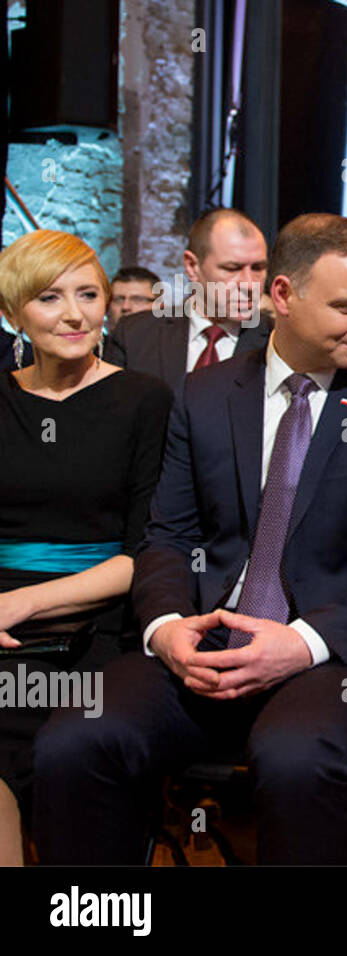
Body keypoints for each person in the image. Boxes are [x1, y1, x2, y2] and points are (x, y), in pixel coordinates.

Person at [33, 214, 347, 865]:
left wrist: (301, 643)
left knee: (294, 757)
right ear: (283, 296)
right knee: (73, 741)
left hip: (327, 655)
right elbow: (168, 534)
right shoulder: (204, 393)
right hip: (202, 641)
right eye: (346, 307)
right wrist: (167, 627)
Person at [0, 230, 172, 866]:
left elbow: (146, 550)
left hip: (96, 623)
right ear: (13, 312)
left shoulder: (143, 400)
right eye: (50, 297)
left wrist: (20, 605)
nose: (75, 314)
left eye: (88, 295)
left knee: (52, 731)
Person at [105, 208, 272, 395]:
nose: (249, 284)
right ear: (192, 266)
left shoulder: (279, 343)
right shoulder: (135, 335)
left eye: (258, 268)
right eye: (232, 268)